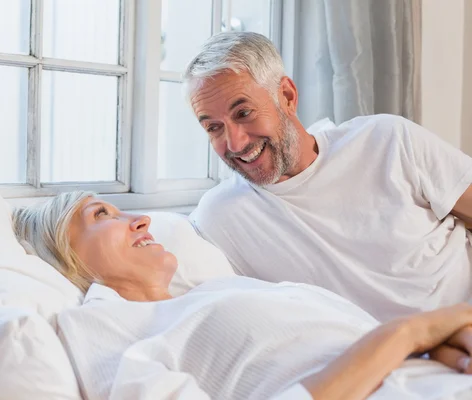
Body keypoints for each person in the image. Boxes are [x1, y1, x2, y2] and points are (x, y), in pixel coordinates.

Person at [13, 192, 472, 400]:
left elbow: (356, 339)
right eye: (102, 214)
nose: (141, 221)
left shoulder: (226, 288)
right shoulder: (106, 327)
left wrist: (444, 342)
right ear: (64, 254)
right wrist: (409, 332)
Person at [183, 32, 472, 322]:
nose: (234, 143)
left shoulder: (389, 140)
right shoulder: (220, 217)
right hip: (395, 354)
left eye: (243, 112)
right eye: (213, 128)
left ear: (287, 97)